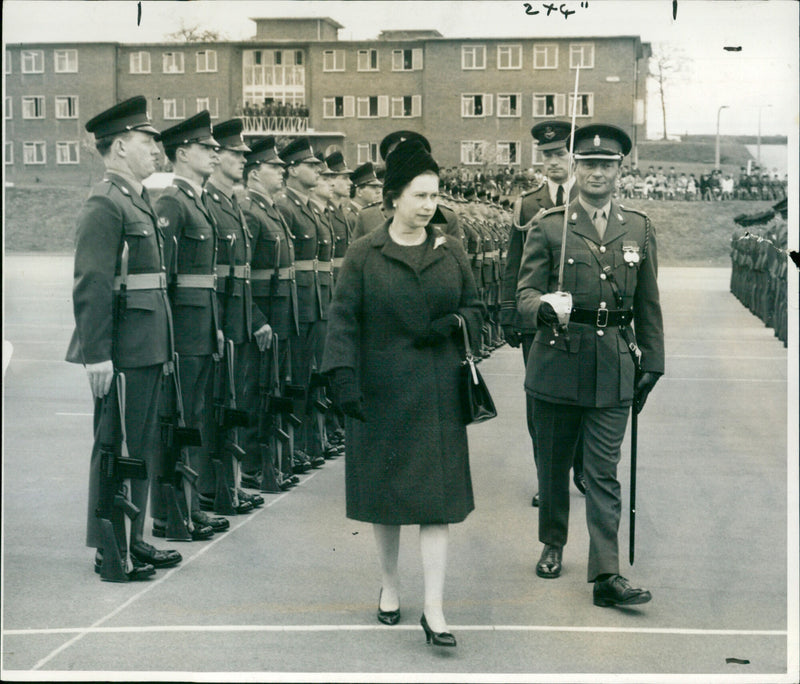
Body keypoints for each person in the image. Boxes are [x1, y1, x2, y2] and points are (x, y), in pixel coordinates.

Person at [321, 137, 484, 647]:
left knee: (437, 506)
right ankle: (390, 586)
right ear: (392, 198)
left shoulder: (451, 249)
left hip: (437, 394)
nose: (429, 205)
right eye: (419, 196)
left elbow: (480, 310)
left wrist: (455, 322)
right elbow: (343, 319)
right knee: (386, 500)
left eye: (435, 196)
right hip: (381, 391)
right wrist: (342, 376)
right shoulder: (364, 254)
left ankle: (434, 608)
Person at [517, 123, 664, 607]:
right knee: (554, 465)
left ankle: (606, 574)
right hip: (558, 360)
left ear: (620, 170)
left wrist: (653, 363)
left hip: (612, 367)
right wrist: (541, 307)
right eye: (589, 164)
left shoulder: (638, 226)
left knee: (603, 472)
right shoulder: (550, 225)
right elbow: (523, 295)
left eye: (607, 165)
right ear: (576, 168)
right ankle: (553, 543)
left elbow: (648, 303)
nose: (597, 172)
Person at [66, 95, 182, 579]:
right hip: (122, 349)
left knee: (141, 442)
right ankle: (110, 547)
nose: (156, 149)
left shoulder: (138, 198)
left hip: (148, 343)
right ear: (117, 148)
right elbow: (92, 281)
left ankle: (134, 536)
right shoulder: (105, 202)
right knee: (117, 445)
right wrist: (97, 356)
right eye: (145, 141)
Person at [499, 121, 584, 508]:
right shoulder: (527, 204)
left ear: (573, 157)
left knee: (582, 395)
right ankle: (547, 477)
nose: (553, 162)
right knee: (540, 403)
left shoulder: (589, 197)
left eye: (560, 154)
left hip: (581, 317)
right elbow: (514, 264)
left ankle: (581, 466)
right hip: (536, 317)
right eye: (547, 155)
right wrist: (510, 312)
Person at [155, 110, 231, 535]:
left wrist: (215, 324)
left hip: (201, 326)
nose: (214, 154)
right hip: (181, 330)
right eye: (207, 147)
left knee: (195, 418)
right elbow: (164, 278)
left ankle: (187, 503)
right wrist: (166, 338)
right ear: (183, 153)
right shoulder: (172, 202)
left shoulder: (197, 201)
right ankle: (170, 512)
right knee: (178, 420)